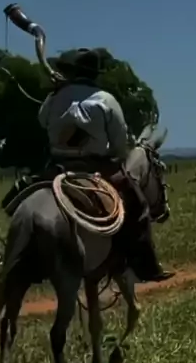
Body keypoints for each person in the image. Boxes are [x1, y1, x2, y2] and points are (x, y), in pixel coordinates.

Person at [34, 47, 174, 283]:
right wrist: (114, 155)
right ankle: (146, 266)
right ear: (93, 73)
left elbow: (41, 121)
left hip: (56, 166)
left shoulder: (55, 97)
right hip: (95, 167)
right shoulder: (106, 99)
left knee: (23, 193)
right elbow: (120, 145)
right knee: (138, 206)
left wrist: (55, 94)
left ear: (69, 72)